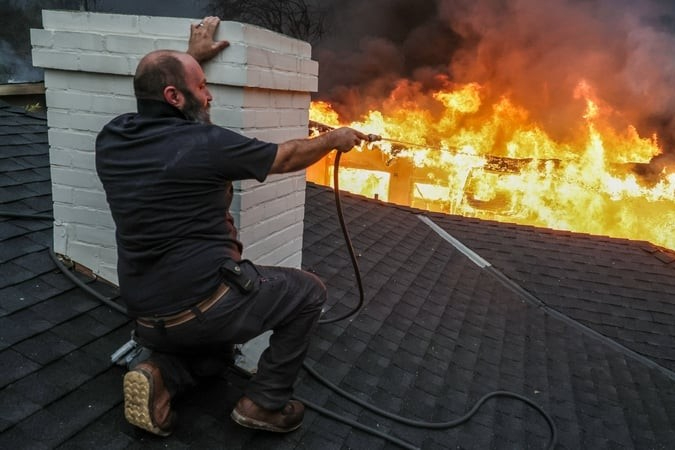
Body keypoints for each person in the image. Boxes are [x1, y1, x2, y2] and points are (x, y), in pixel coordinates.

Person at [95, 16, 370, 436]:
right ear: (174, 96)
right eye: (201, 87)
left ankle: (158, 375)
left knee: (216, 358)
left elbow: (159, 86)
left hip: (146, 315)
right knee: (307, 291)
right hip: (203, 306)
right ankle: (264, 404)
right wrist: (335, 139)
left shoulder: (111, 137)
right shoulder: (206, 145)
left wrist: (188, 59)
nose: (208, 97)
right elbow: (288, 156)